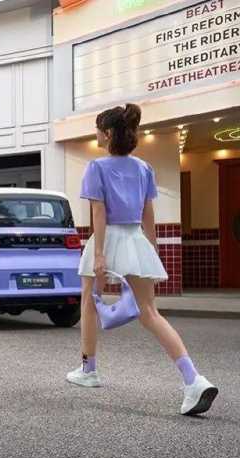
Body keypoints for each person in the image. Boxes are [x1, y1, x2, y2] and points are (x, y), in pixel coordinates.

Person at [67, 103, 218, 416]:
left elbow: (99, 213)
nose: (96, 135)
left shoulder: (96, 168)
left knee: (89, 300)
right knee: (150, 312)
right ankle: (194, 379)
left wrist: (99, 253)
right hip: (136, 239)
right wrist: (151, 249)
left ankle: (89, 369)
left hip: (108, 238)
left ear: (108, 134)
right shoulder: (144, 168)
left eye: (98, 130)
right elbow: (149, 213)